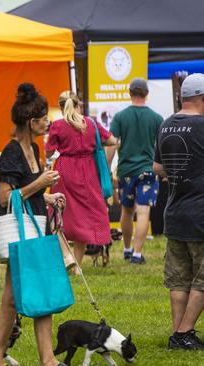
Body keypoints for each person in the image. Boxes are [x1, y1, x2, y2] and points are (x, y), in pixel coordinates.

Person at [0, 83, 66, 366]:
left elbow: (28, 192)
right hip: (20, 231)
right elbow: (7, 196)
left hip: (35, 225)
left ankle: (47, 359)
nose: (48, 121)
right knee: (12, 298)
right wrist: (41, 183)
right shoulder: (11, 151)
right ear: (31, 122)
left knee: (36, 291)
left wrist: (48, 196)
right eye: (44, 117)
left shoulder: (34, 146)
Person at [153, 73, 204, 350]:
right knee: (201, 278)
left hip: (174, 213)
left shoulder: (166, 124)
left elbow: (158, 167)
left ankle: (178, 333)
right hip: (200, 214)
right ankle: (184, 332)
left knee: (180, 277)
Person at [46, 91, 116, 271]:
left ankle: (66, 255)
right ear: (79, 105)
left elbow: (48, 151)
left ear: (61, 107)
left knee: (58, 213)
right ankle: (77, 265)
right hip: (88, 171)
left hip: (65, 170)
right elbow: (112, 141)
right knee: (84, 217)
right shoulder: (91, 123)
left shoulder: (58, 125)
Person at [107, 78, 163, 264]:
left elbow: (112, 144)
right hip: (148, 170)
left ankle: (127, 249)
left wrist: (107, 168)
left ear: (130, 93)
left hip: (126, 171)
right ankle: (138, 255)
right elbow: (162, 146)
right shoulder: (156, 118)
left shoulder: (120, 117)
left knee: (127, 211)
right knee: (143, 210)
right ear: (146, 94)